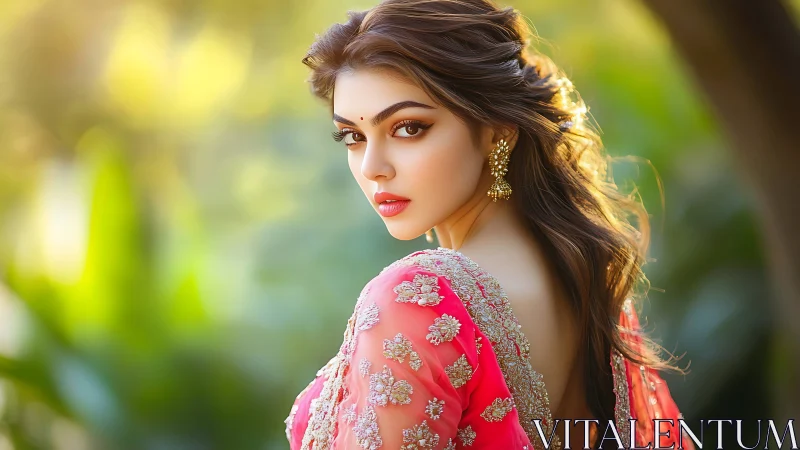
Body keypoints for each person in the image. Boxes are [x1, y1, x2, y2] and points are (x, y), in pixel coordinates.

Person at [285, 1, 694, 448]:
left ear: (497, 131)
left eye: (409, 128)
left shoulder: (416, 299)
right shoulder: (580, 270)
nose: (372, 167)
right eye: (353, 136)